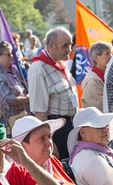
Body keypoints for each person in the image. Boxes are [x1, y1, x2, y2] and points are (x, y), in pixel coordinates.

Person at [28, 27, 78, 159]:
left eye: (71, 44)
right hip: (57, 130)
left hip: (70, 127)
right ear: (51, 46)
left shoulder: (62, 64)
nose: (70, 49)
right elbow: (39, 112)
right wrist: (50, 142)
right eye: (65, 45)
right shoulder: (39, 69)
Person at [0, 41, 30, 129]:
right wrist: (27, 99)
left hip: (19, 119)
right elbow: (7, 99)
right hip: (6, 123)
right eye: (8, 54)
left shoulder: (13, 71)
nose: (12, 57)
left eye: (12, 53)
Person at [80, 42, 113, 110]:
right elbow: (101, 106)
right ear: (96, 57)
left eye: (111, 54)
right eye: (107, 54)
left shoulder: (106, 74)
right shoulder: (93, 80)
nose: (111, 57)